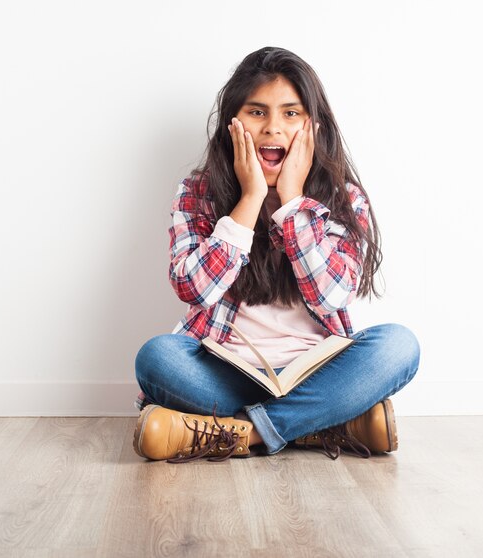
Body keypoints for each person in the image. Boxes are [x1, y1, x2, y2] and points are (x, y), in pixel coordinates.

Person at [133, 46, 420, 463]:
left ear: (312, 126)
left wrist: (291, 202)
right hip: (227, 376)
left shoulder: (344, 199)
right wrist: (249, 200)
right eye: (257, 112)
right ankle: (321, 426)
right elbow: (192, 289)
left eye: (290, 113)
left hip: (318, 376)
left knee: (399, 346)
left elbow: (332, 298)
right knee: (157, 357)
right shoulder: (197, 193)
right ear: (233, 122)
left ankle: (240, 434)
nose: (273, 129)